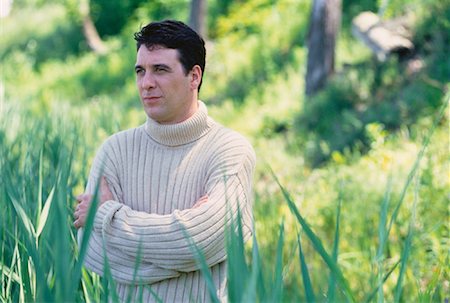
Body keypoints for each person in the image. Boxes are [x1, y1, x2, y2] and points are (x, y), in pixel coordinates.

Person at [73, 20, 256, 302]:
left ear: (194, 76)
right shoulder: (114, 151)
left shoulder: (229, 151)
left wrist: (107, 216)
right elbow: (97, 255)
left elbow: (200, 242)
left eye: (160, 69)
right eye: (140, 71)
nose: (146, 83)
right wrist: (183, 245)